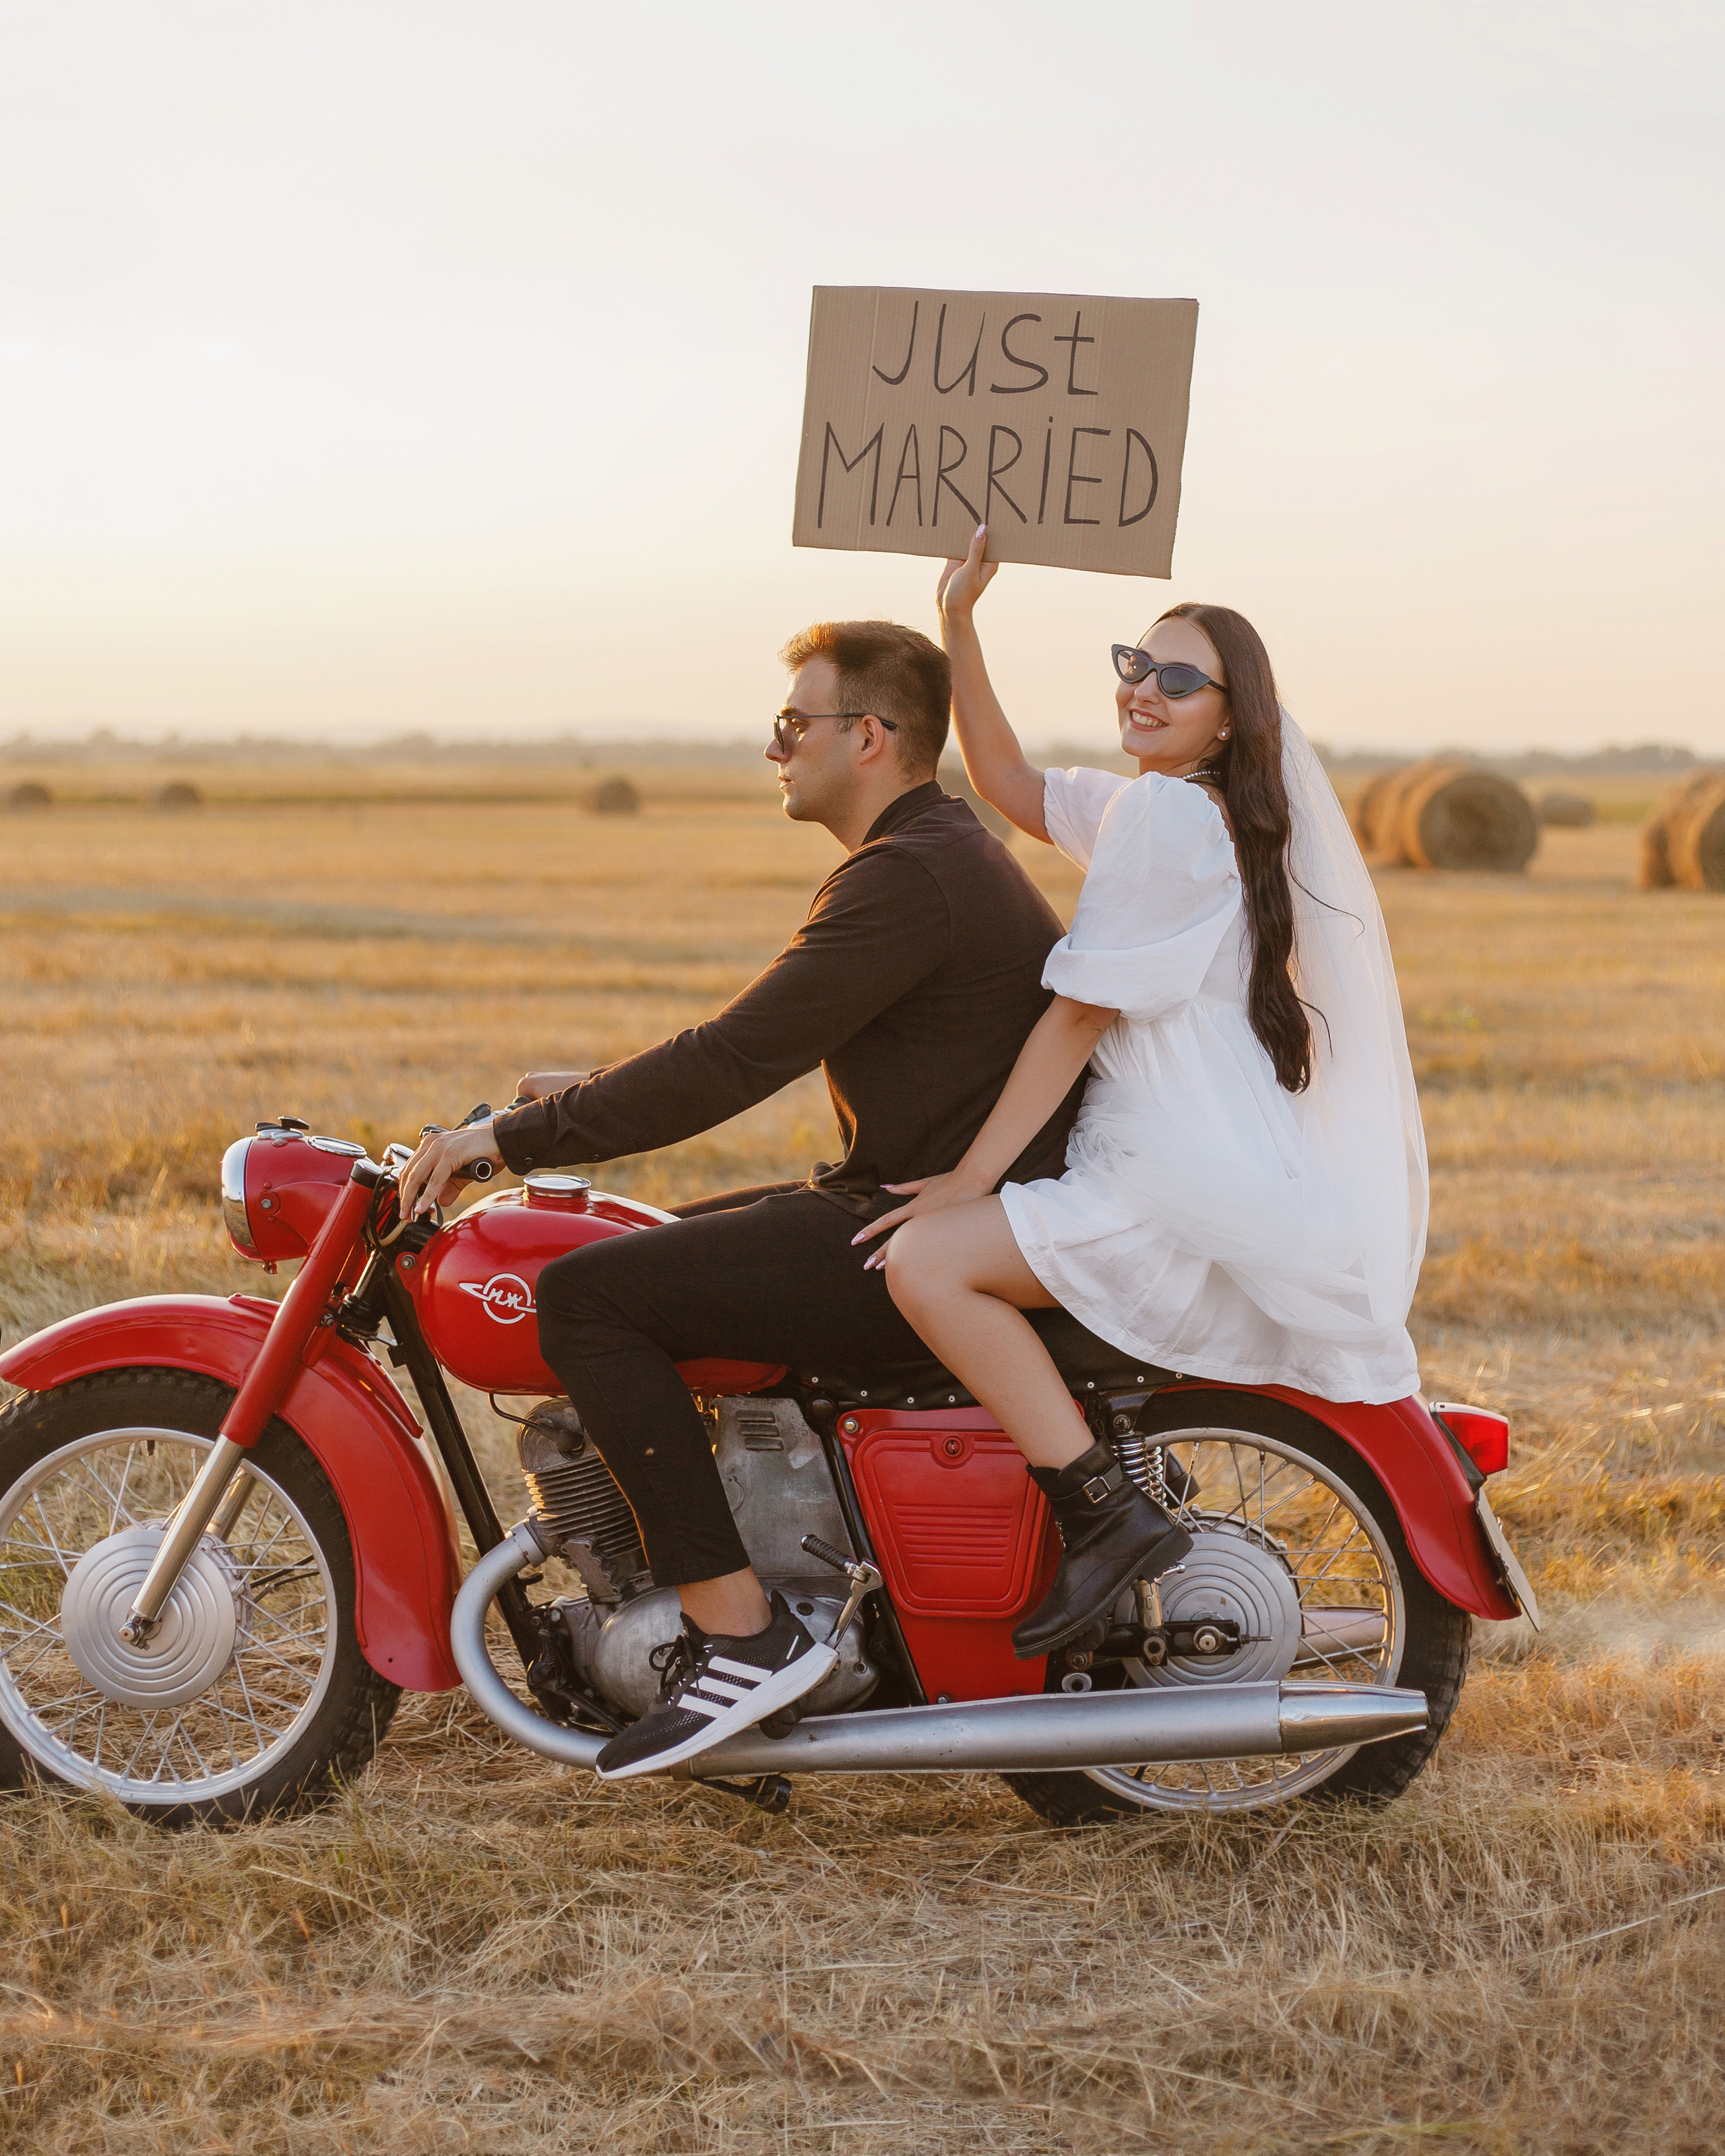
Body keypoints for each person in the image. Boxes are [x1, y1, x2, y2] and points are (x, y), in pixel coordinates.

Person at [398, 619, 1086, 1778]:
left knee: (585, 1301)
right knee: (666, 1243)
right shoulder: (928, 855)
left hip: (922, 1233)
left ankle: (738, 1635)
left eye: (791, 726)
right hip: (911, 1207)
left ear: (868, 737)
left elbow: (731, 1060)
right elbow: (752, 1041)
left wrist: (505, 1142)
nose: (775, 751)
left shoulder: (909, 875)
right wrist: (590, 1096)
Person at [854, 526, 1429, 1661]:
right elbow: (1010, 786)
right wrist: (959, 625)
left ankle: (1099, 1515)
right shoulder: (1163, 807)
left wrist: (970, 1177)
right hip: (1204, 1146)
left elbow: (1080, 1012)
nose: (1144, 690)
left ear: (1231, 712)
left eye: (1178, 679)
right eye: (1135, 664)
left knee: (928, 1260)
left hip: (1165, 1163)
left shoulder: (1169, 815)